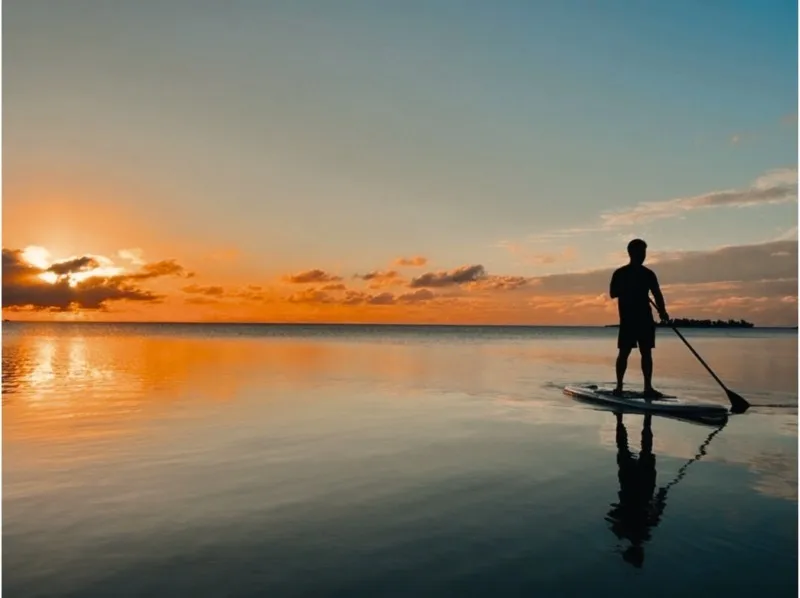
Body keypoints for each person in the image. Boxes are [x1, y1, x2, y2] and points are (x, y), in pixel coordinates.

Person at [609, 238, 669, 398]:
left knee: (646, 353)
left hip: (645, 319)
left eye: (644, 252)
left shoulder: (648, 274)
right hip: (628, 319)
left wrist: (663, 311)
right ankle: (619, 387)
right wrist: (629, 287)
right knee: (624, 352)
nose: (642, 255)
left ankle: (648, 388)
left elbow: (657, 294)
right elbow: (612, 293)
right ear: (631, 253)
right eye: (640, 252)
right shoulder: (620, 273)